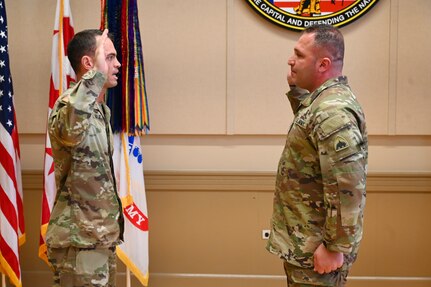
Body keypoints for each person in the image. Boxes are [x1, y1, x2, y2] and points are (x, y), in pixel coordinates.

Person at [266, 24, 368, 286]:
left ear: (323, 65)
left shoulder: (332, 112)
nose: (291, 60)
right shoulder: (322, 103)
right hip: (307, 244)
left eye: (299, 55)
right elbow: (312, 135)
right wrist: (297, 90)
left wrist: (335, 247)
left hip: (318, 251)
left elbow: (348, 184)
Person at [46, 29, 124, 287]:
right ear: (89, 63)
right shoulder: (69, 105)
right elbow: (70, 130)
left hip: (98, 238)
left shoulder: (101, 109)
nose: (118, 64)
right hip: (78, 240)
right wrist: (95, 77)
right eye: (110, 57)